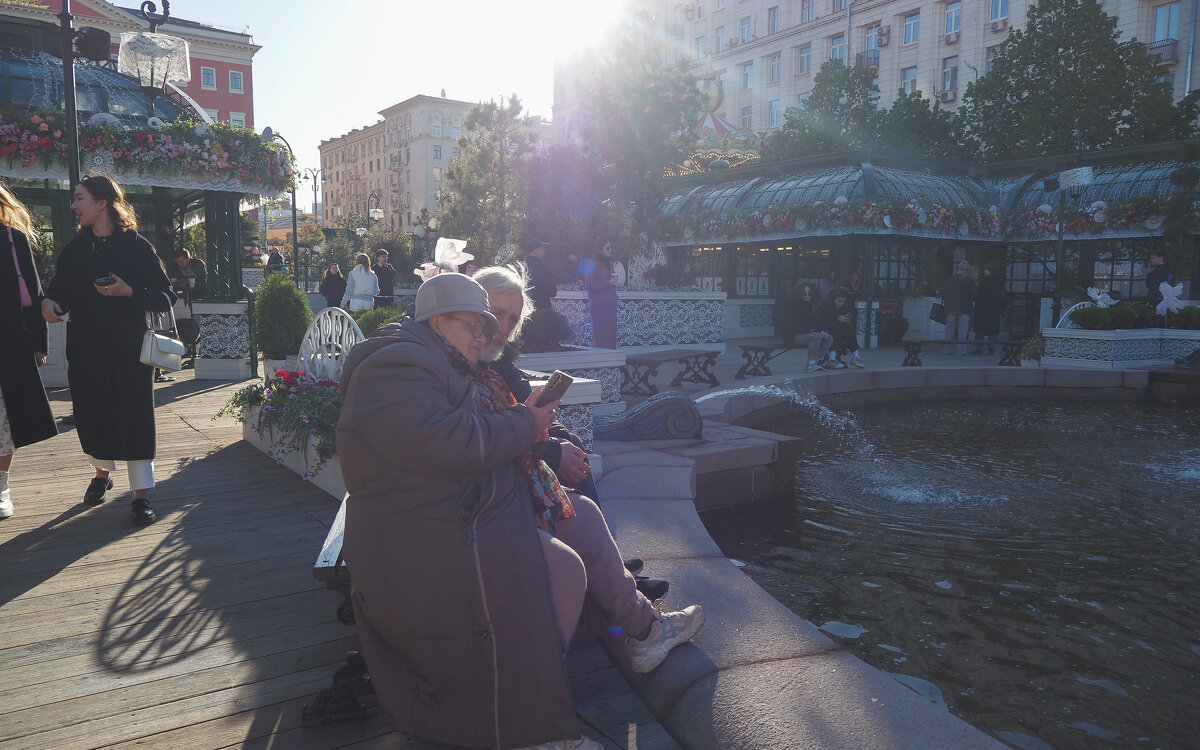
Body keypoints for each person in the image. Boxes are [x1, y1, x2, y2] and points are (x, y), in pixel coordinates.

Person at [336, 272, 590, 749]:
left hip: (441, 516)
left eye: (488, 325)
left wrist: (528, 425)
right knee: (561, 570)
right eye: (472, 325)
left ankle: (533, 699)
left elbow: (456, 438)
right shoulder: (395, 365)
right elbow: (447, 442)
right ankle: (526, 713)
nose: (485, 335)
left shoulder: (434, 360)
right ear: (436, 321)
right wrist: (524, 422)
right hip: (419, 541)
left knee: (574, 544)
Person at [473, 265, 670, 601]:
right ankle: (615, 580)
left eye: (512, 320)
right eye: (497, 314)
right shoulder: (460, 361)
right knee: (570, 469)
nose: (503, 328)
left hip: (515, 453)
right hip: (492, 485)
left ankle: (610, 567)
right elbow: (487, 434)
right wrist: (551, 451)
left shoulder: (496, 355)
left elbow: (523, 395)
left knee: (575, 449)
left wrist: (562, 439)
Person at [41, 175, 176, 526]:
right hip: (85, 347)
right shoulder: (75, 249)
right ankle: (101, 473)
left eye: (79, 198)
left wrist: (129, 293)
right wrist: (49, 304)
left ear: (103, 202)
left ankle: (141, 495)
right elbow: (57, 293)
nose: (73, 205)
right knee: (92, 411)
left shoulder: (137, 246)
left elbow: (165, 296)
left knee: (134, 414)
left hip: (128, 348)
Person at [0, 182, 58, 519]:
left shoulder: (11, 238)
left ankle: (3, 487)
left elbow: (33, 292)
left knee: (5, 417)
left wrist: (39, 342)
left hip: (9, 341)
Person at [815, 287, 865, 368]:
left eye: (843, 301)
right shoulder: (825, 305)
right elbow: (820, 321)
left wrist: (846, 319)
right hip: (822, 329)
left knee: (848, 328)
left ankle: (855, 356)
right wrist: (837, 319)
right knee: (839, 327)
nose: (841, 303)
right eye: (839, 301)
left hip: (836, 329)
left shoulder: (843, 307)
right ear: (833, 299)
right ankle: (832, 359)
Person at [582, 238, 618, 348]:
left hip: (610, 307)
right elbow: (589, 285)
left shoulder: (609, 265)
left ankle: (612, 363)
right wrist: (608, 283)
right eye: (607, 248)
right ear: (599, 250)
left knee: (611, 336)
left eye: (611, 248)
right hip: (600, 308)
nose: (610, 250)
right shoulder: (593, 265)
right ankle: (601, 363)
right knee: (602, 338)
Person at [792, 282, 834, 372]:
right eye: (804, 293)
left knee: (829, 338)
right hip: (794, 335)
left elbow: (815, 323)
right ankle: (811, 364)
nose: (807, 296)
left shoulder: (811, 306)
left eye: (809, 293)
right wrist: (816, 331)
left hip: (808, 334)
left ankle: (814, 361)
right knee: (816, 336)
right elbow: (798, 325)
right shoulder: (794, 306)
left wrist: (822, 331)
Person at [971, 262, 1007, 354]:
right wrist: (1001, 307)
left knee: (980, 329)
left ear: (989, 270)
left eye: (986, 269)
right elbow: (1003, 296)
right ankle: (991, 348)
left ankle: (979, 348)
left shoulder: (984, 281)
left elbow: (979, 295)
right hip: (994, 309)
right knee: (993, 330)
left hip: (982, 309)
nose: (984, 271)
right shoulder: (1000, 281)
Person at [942, 260, 977, 356]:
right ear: (968, 269)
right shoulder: (969, 280)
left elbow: (944, 291)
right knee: (963, 331)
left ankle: (947, 350)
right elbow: (974, 294)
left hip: (951, 307)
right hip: (965, 307)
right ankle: (961, 351)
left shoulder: (951, 279)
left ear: (958, 268)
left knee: (949, 330)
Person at [524, 239, 557, 311]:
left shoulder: (520, 267)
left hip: (524, 309)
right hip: (541, 310)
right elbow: (552, 292)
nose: (544, 252)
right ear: (535, 252)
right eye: (542, 250)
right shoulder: (543, 268)